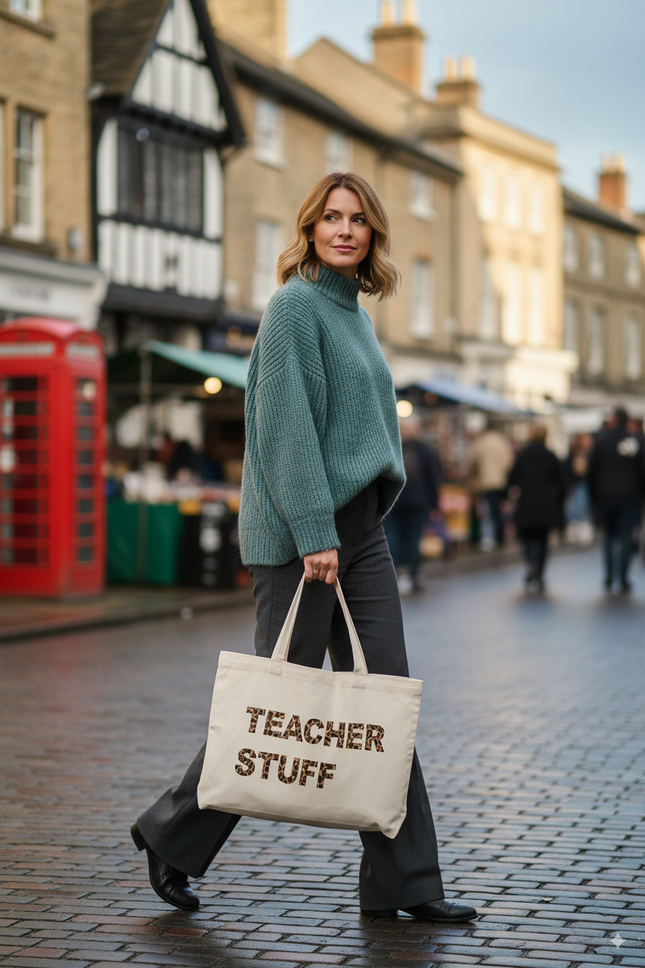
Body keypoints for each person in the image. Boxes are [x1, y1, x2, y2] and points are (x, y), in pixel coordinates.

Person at [130, 172, 477, 924]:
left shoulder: (355, 315)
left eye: (358, 220)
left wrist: (355, 525)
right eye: (331, 218)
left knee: (383, 701)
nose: (345, 230)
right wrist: (317, 533)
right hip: (303, 537)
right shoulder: (293, 308)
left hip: (361, 534)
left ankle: (405, 885)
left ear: (373, 233)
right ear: (311, 229)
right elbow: (285, 429)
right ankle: (170, 836)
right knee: (274, 706)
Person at [588, 406, 645, 594]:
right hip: (629, 496)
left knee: (608, 536)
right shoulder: (635, 441)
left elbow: (592, 471)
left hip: (605, 496)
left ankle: (609, 574)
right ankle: (623, 576)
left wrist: (594, 496)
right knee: (626, 536)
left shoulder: (602, 440)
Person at [385, 415, 442, 593]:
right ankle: (415, 573)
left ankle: (394, 573)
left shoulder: (393, 447)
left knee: (393, 537)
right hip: (418, 501)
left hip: (394, 501)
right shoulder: (425, 450)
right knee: (415, 537)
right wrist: (434, 505)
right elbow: (433, 479)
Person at [508, 425, 565, 592]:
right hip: (546, 505)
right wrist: (558, 503)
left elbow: (512, 478)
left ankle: (530, 562)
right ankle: (539, 571)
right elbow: (561, 482)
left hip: (526, 503)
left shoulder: (522, 456)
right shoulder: (551, 456)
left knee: (526, 537)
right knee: (543, 540)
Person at [468, 419, 513, 548]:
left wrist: (473, 475)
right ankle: (500, 535)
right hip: (501, 481)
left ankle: (490, 537)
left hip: (486, 481)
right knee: (499, 509)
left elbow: (472, 461)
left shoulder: (481, 442)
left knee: (489, 510)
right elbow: (508, 461)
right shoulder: (501, 441)